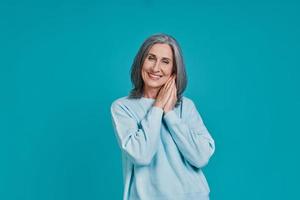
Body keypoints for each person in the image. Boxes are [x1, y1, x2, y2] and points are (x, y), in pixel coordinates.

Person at [110, 33, 215, 200]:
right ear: (141, 62)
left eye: (165, 61)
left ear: (174, 70)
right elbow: (141, 155)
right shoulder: (123, 107)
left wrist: (170, 114)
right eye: (151, 58)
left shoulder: (186, 106)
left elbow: (200, 157)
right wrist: (158, 107)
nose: (156, 68)